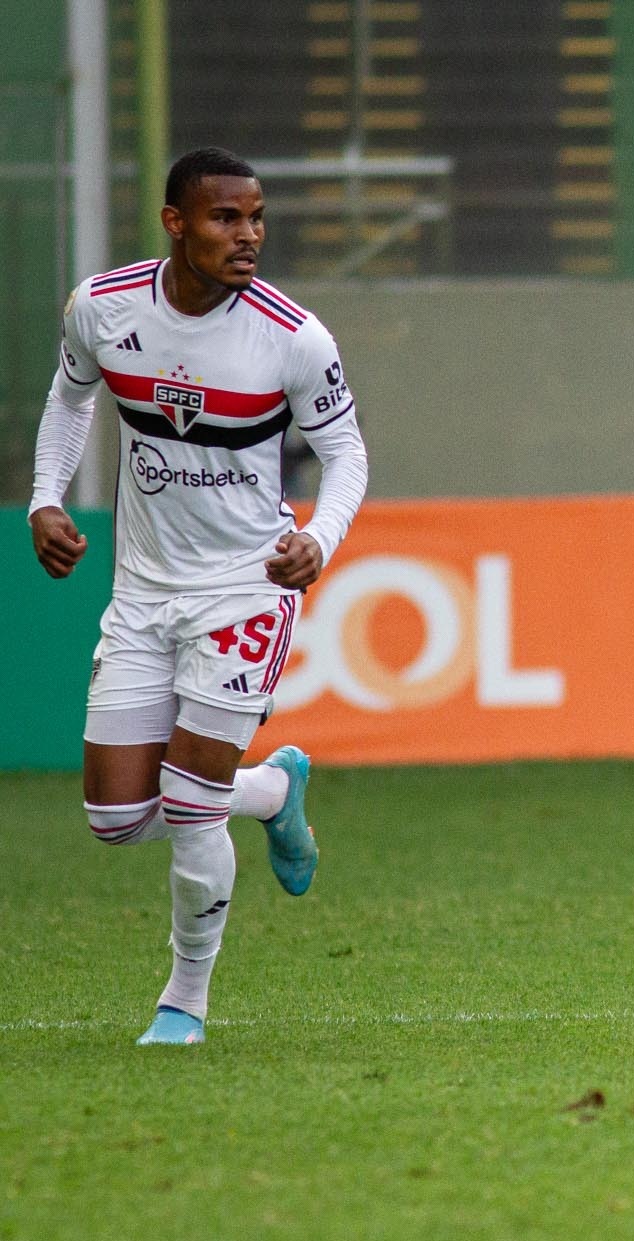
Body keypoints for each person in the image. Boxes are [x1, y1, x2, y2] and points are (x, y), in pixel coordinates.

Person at [28, 146, 369, 1046]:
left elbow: (347, 456)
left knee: (185, 804)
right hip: (141, 592)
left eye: (257, 217)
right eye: (226, 218)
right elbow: (70, 402)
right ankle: (269, 791)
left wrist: (318, 541)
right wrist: (45, 498)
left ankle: (184, 1000)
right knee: (113, 818)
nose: (248, 235)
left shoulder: (294, 337)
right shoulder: (102, 307)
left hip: (246, 587)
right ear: (176, 223)